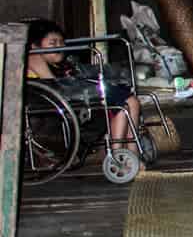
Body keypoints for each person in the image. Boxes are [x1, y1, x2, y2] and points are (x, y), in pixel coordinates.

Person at [26, 18, 143, 151]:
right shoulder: (34, 58)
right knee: (124, 103)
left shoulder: (60, 63)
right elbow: (55, 86)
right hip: (63, 103)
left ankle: (130, 151)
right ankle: (119, 154)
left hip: (76, 96)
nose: (59, 46)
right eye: (53, 43)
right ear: (35, 46)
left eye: (61, 42)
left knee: (130, 101)